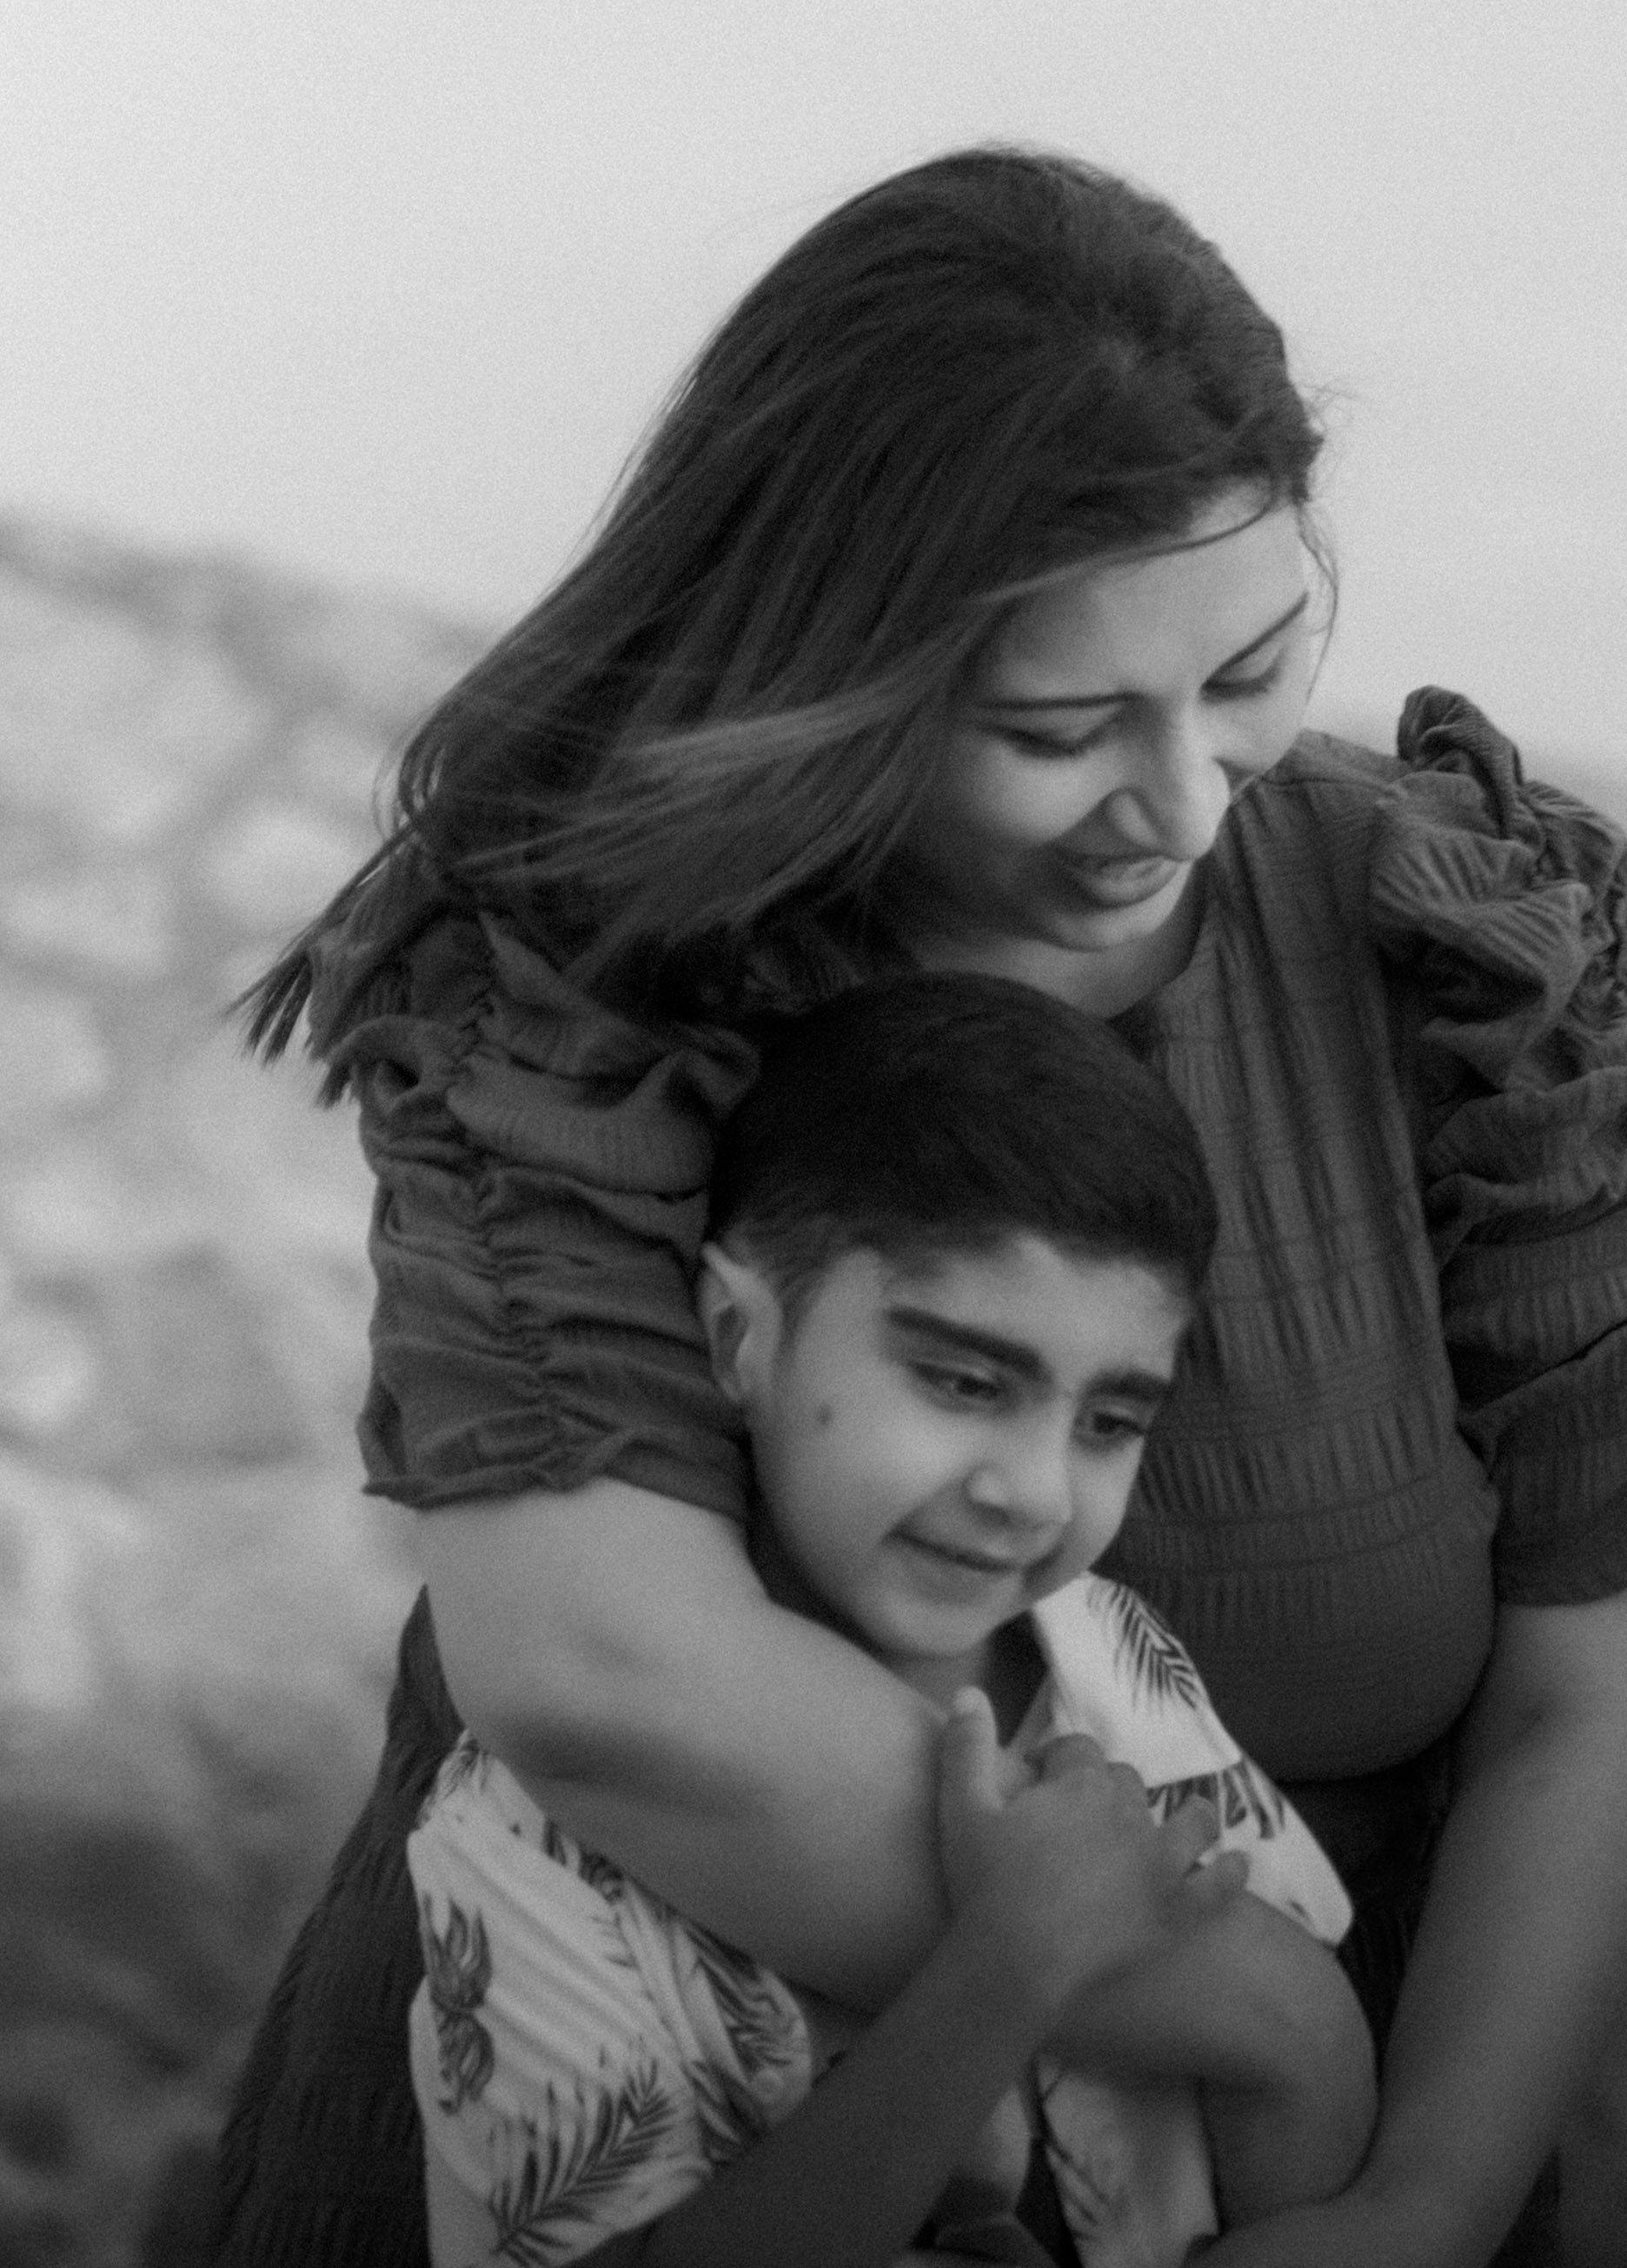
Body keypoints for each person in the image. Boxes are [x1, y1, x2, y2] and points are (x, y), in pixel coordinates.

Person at [216, 147, 1627, 2268]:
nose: (1188, 798)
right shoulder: (596, 968)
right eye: (1056, 723)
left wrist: (1422, 2197)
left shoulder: (1493, 974)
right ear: (842, 662)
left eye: (1251, 667)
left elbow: (1593, 1690)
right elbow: (602, 1674)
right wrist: (1258, 2006)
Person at [406, 971, 1364, 2265]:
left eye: (1110, 1420)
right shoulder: (534, 1825)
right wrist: (1012, 1964)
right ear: (738, 1333)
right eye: (965, 1379)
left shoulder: (1123, 1671)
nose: (1030, 1491)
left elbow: (1299, 2093)